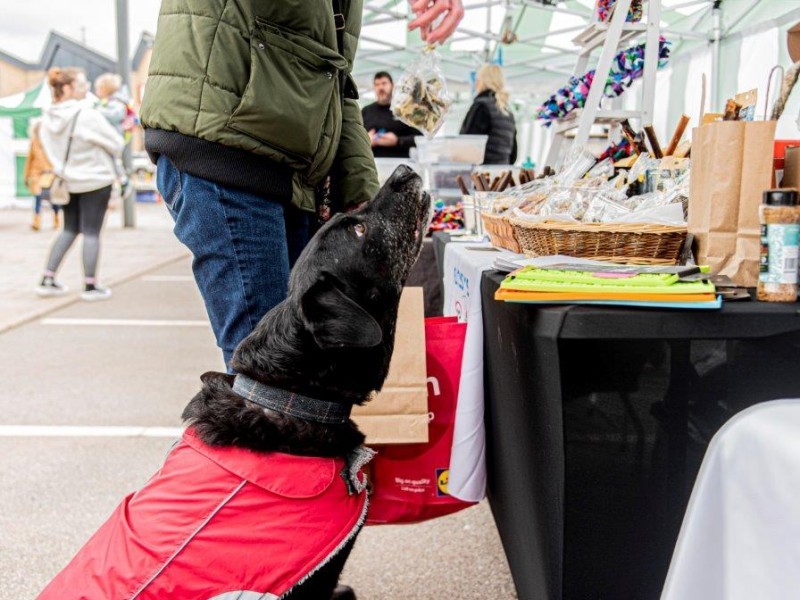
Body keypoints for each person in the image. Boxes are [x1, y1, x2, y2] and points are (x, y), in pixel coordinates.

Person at [35, 67, 125, 301]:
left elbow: (49, 151)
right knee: (92, 232)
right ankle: (90, 285)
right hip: (95, 179)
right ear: (67, 88)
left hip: (68, 181)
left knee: (69, 228)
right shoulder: (87, 114)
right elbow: (116, 143)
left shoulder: (47, 118)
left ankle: (47, 278)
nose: (87, 88)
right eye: (83, 84)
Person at [460, 64, 518, 165]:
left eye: (477, 79)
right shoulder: (507, 111)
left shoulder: (481, 107)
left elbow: (468, 144)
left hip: (482, 176)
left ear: (482, 81)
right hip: (502, 173)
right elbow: (513, 155)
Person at [361, 71, 423, 158]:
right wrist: (366, 141)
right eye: (377, 84)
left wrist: (398, 141)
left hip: (399, 164)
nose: (380, 87)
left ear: (392, 85)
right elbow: (355, 139)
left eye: (384, 83)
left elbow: (420, 138)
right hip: (372, 164)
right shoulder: (366, 111)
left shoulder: (403, 110)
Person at [23, 119, 61, 231]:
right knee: (38, 198)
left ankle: (57, 220)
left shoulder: (52, 143)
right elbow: (29, 160)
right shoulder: (34, 142)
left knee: (54, 199)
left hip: (50, 175)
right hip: (36, 176)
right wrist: (26, 176)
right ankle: (36, 222)